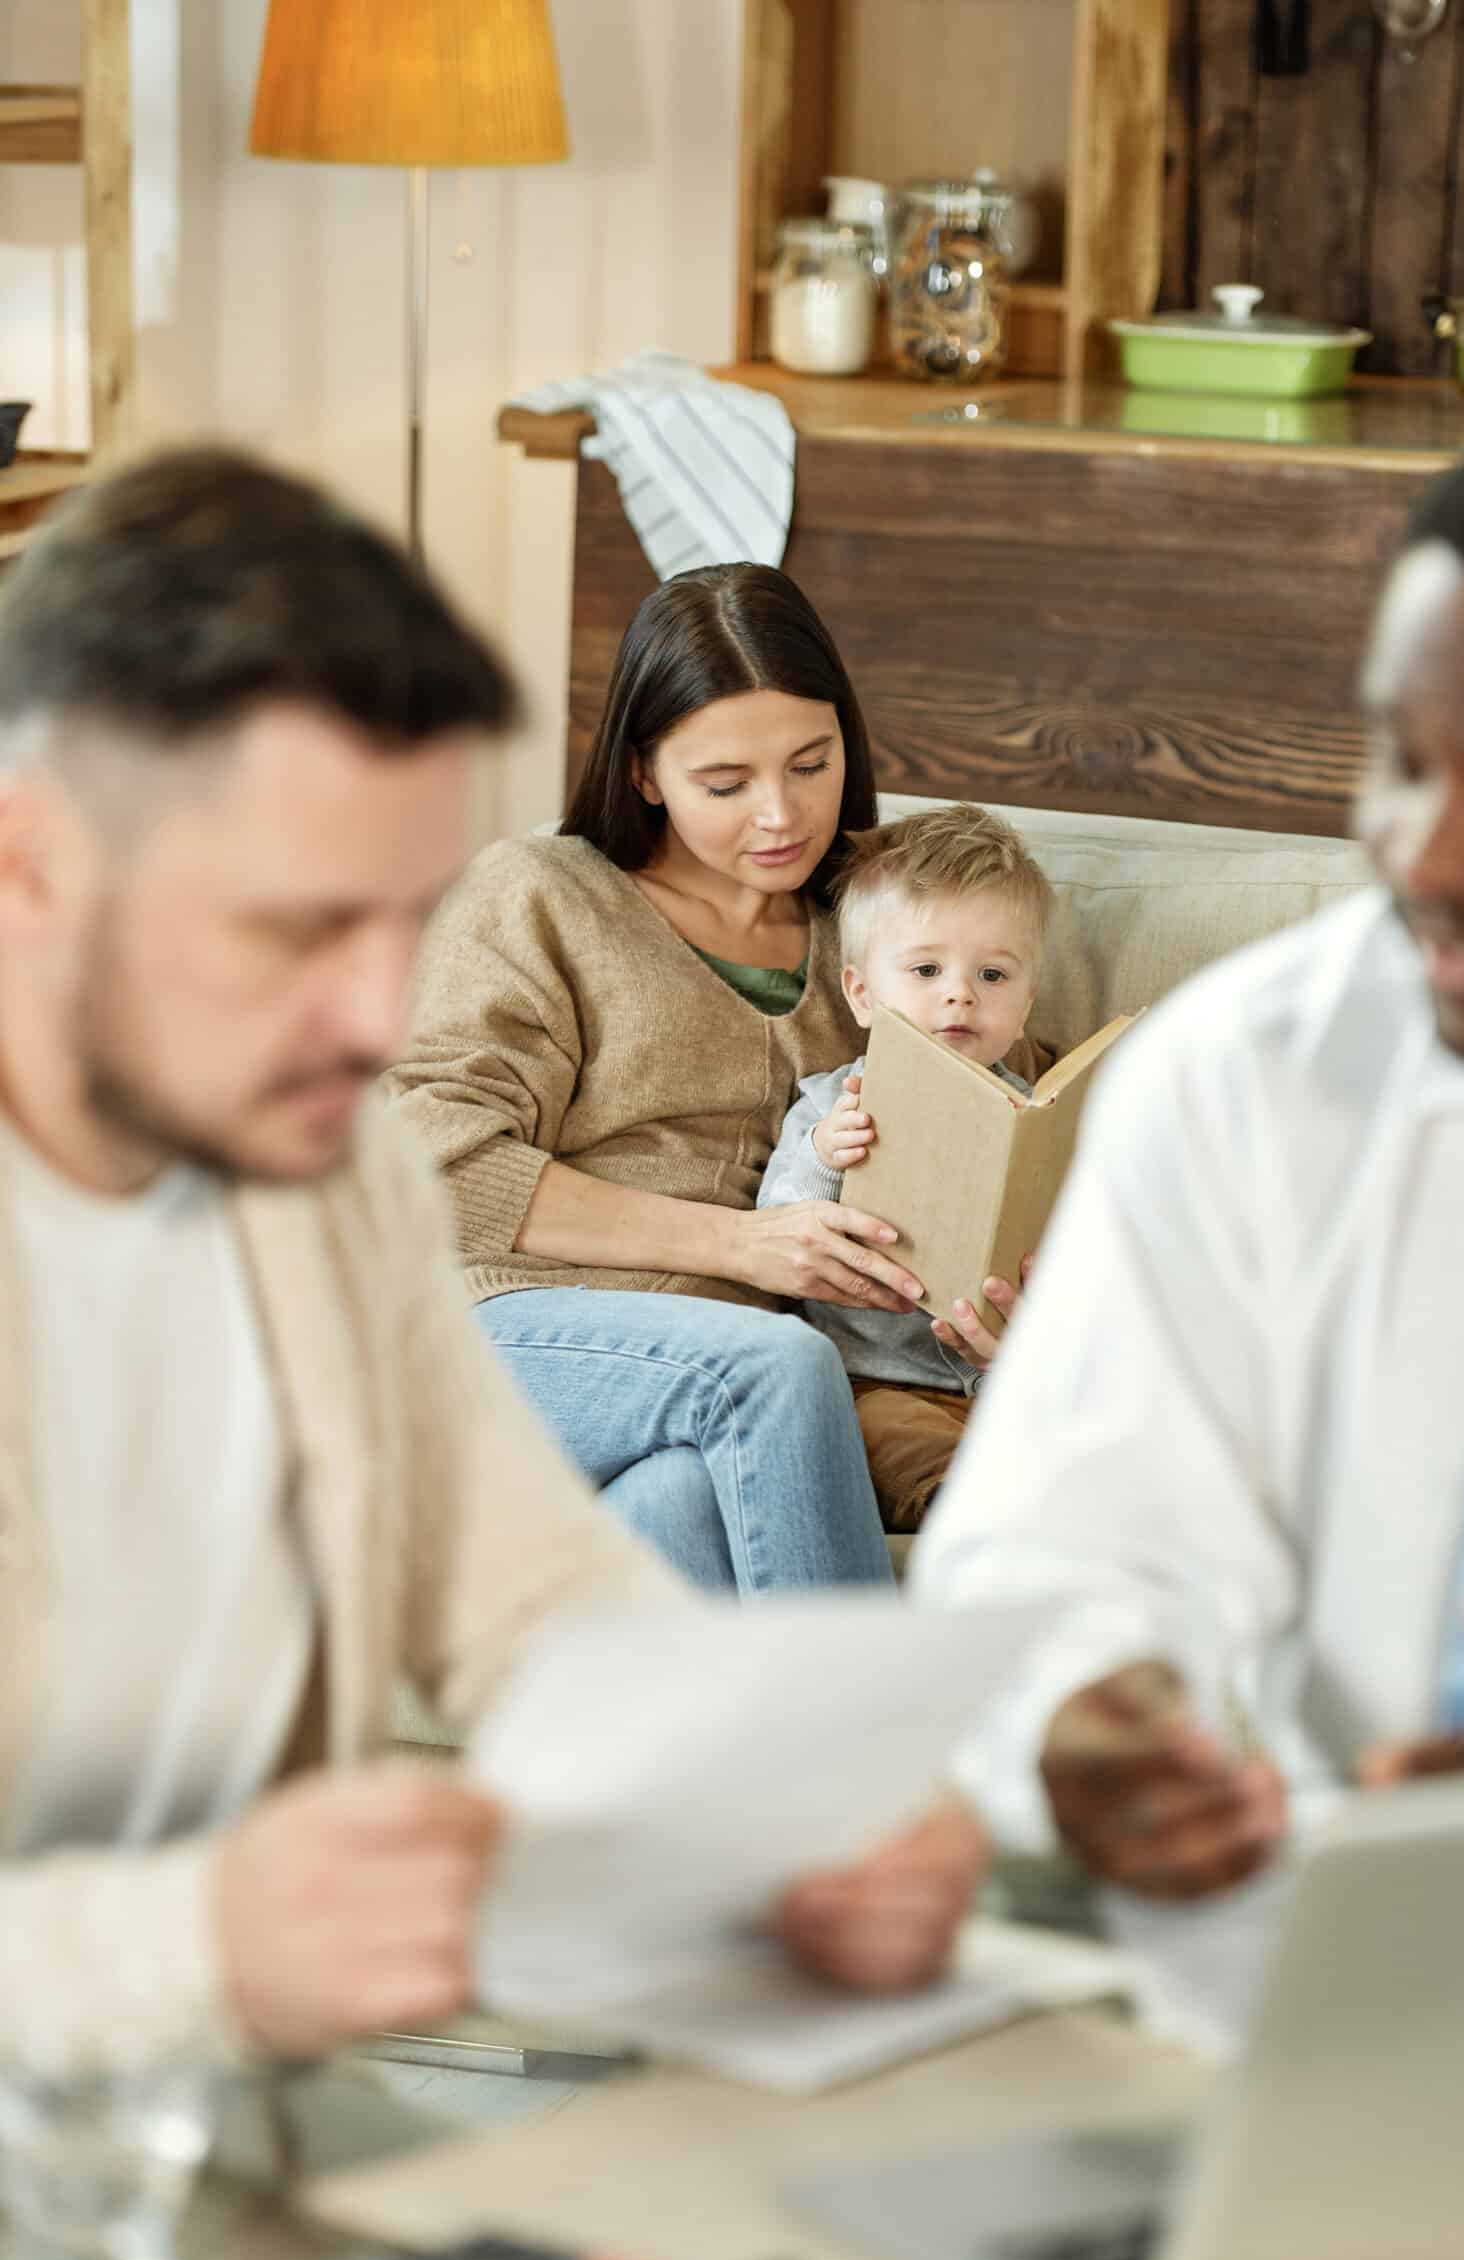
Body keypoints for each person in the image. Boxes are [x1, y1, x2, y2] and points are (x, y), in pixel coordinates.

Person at [0, 449, 986, 2081]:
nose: (375, 1018)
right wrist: (200, 1945)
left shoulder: (308, 1199)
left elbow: (521, 1583)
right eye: (299, 925)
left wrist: (856, 1806)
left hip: (232, 2120)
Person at [918, 379, 1464, 1913]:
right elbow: (1059, 1547)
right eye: (1405, 760)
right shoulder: (1245, 1073)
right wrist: (1084, 1718)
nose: (1427, 854)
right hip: (1279, 1959)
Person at [384, 567, 1018, 1591]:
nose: (781, 814)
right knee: (778, 1366)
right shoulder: (540, 896)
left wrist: (1007, 1300)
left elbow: (1009, 1104)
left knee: (678, 1509)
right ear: (644, 773)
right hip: (503, 1332)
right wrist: (739, 1245)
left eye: (811, 764)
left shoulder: (881, 932)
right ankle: (885, 1702)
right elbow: (422, 1164)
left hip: (704, 1397)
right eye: (726, 785)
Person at [756, 803, 1050, 1529]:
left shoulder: (1033, 1114)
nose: (960, 993)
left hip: (1006, 1380)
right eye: (926, 969)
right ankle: (965, 1509)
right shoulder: (833, 1106)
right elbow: (776, 1223)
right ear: (862, 994)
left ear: (1024, 1006)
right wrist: (823, 1155)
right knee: (892, 1440)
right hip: (875, 1380)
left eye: (992, 974)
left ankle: (1047, 1501)